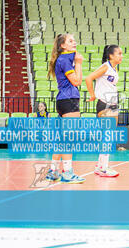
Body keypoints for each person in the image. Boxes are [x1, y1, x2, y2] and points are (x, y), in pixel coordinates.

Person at [46, 33, 85, 183]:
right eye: (70, 41)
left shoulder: (63, 59)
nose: (74, 42)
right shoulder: (64, 60)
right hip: (69, 101)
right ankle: (67, 172)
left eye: (74, 40)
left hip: (63, 101)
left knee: (62, 138)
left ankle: (53, 171)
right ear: (62, 45)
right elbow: (76, 81)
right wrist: (79, 63)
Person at [85, 44, 123, 177]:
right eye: (119, 53)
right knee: (107, 136)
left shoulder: (114, 68)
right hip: (105, 104)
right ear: (111, 55)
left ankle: (100, 165)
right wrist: (92, 95)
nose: (121, 56)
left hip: (112, 104)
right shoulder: (105, 66)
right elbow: (88, 78)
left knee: (109, 136)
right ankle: (103, 168)